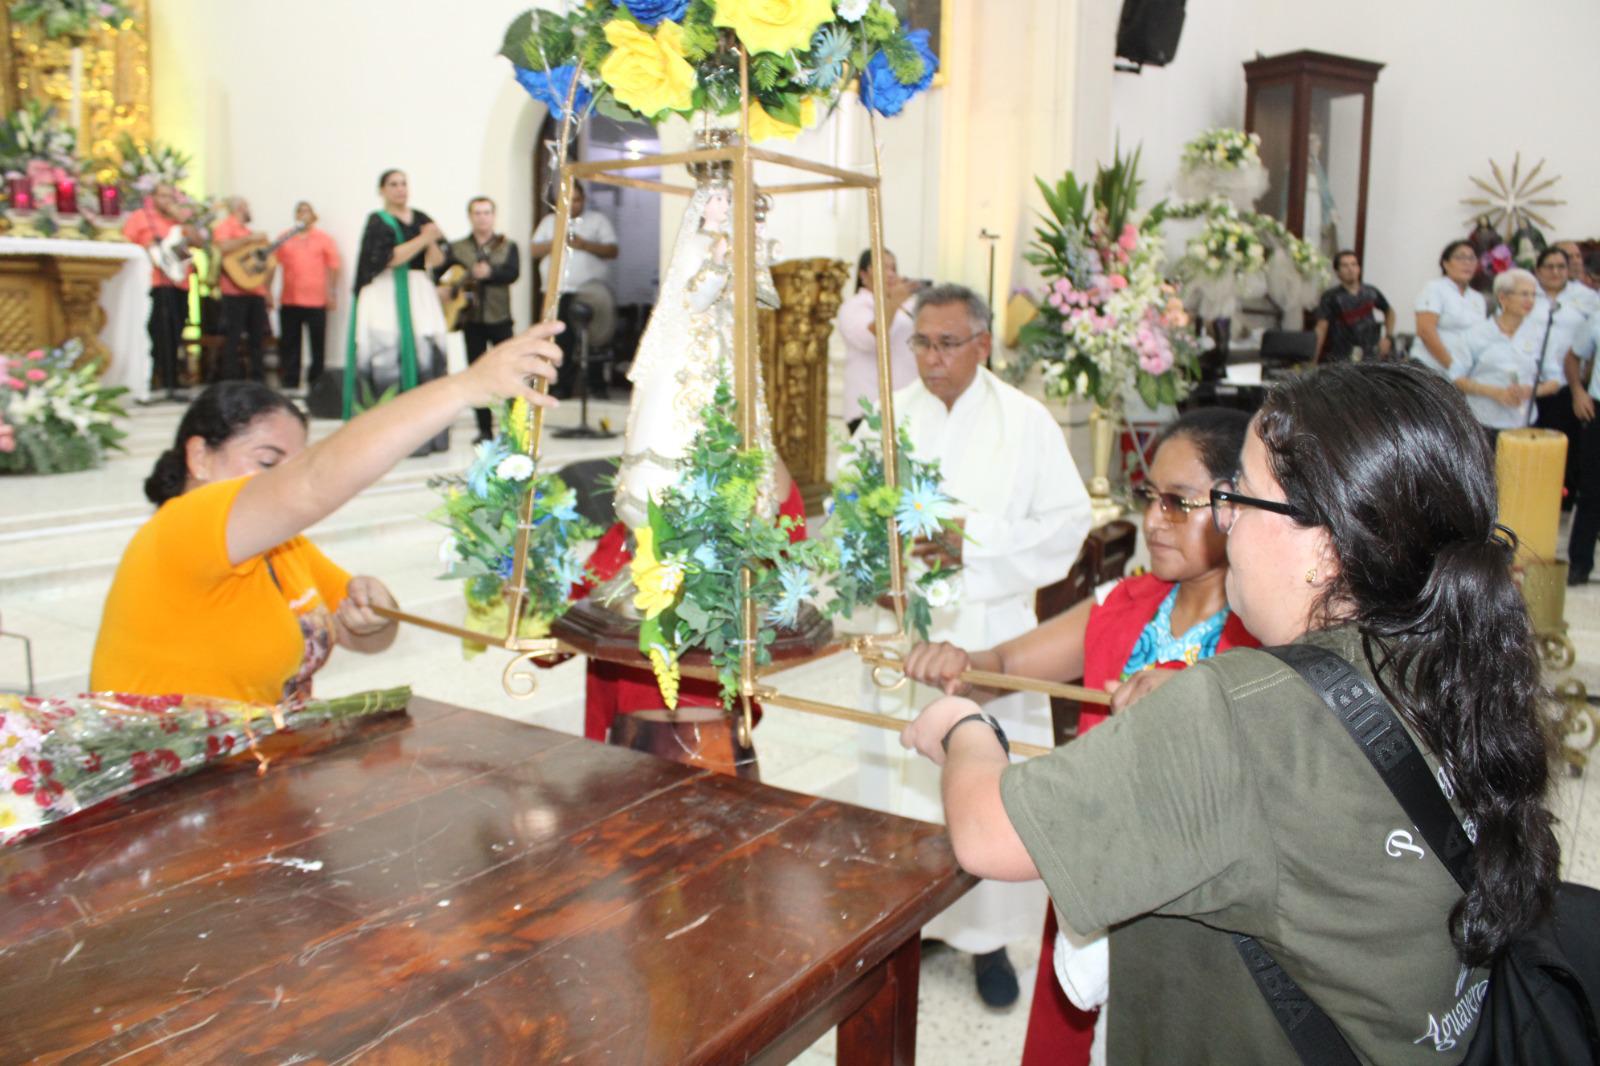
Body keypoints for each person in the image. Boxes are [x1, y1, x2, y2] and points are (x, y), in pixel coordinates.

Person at [902, 362, 1559, 1063]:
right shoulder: (1447, 654)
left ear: (1326, 548)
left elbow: (985, 833)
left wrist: (964, 728)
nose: (1223, 523)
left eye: (1237, 498)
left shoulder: (1242, 710)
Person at [902, 406, 1258, 1065]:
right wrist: (962, 664)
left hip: (1192, 913)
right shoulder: (1125, 602)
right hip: (1089, 877)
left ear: (1241, 507)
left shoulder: (1259, 635)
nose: (1154, 520)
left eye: (1180, 503)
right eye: (1150, 497)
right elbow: (1005, 666)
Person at [90, 323, 564, 705]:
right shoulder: (182, 526)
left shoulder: (282, 549)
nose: (281, 481)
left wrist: (376, 613)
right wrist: (466, 386)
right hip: (160, 785)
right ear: (199, 457)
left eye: (291, 465)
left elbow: (366, 637)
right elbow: (313, 484)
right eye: (269, 462)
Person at [855, 283, 1093, 1008]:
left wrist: (970, 545)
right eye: (920, 342)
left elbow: (1068, 524)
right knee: (904, 781)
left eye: (946, 343)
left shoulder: (1026, 422)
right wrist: (879, 556)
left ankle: (989, 941)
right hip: (908, 628)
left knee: (990, 783)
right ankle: (911, 921)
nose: (930, 358)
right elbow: (855, 507)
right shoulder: (887, 421)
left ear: (983, 344)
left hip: (993, 636)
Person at [345, 169, 449, 454]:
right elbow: (389, 258)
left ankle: (428, 435)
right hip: (386, 294)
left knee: (428, 355)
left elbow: (437, 259)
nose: (400, 189)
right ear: (382, 190)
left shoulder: (421, 218)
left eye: (404, 184)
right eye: (393, 184)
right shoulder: (378, 221)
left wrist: (431, 242)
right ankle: (383, 435)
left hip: (418, 291)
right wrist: (423, 239)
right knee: (388, 357)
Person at [437, 195, 521, 442]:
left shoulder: (508, 246)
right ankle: (484, 429)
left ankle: (512, 429)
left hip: (500, 318)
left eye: (486, 213)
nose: (482, 217)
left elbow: (513, 273)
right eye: (477, 213)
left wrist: (491, 272)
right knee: (478, 376)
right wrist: (442, 288)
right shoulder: (458, 247)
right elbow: (438, 272)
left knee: (508, 374)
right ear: (470, 216)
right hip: (470, 320)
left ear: (493, 216)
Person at [1451, 268, 1563, 444]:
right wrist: (1494, 392)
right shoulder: (1476, 334)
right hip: (1483, 421)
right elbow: (1456, 377)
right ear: (1503, 297)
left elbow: (1554, 381)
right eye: (1524, 294)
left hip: (1523, 422)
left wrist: (1531, 391)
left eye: (1534, 295)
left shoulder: (1541, 335)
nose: (1530, 300)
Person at [531, 182, 617, 399]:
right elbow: (534, 250)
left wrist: (584, 244)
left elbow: (612, 249)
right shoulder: (550, 222)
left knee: (595, 338)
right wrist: (558, 241)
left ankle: (597, 385)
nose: (572, 204)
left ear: (584, 200)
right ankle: (562, 386)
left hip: (589, 290)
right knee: (562, 341)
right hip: (557, 291)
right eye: (568, 200)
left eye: (577, 200)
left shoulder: (597, 221)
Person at [1525, 247, 1597, 504]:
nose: (1555, 272)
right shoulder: (1527, 293)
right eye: (1549, 266)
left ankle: (1561, 500)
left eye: (1561, 267)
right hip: (1528, 385)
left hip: (1567, 385)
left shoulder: (1587, 298)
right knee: (1528, 443)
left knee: (1565, 446)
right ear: (1538, 270)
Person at [122, 182, 197, 400]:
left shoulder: (179, 220)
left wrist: (184, 220)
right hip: (155, 283)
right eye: (163, 196)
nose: (167, 201)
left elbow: (200, 242)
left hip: (180, 283)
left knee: (177, 331)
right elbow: (126, 243)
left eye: (170, 197)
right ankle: (156, 381)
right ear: (152, 197)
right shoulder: (140, 217)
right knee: (157, 332)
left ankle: (174, 380)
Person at [836, 248, 920, 432]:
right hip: (869, 408)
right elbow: (869, 340)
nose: (890, 273)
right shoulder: (854, 307)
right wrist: (893, 303)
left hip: (907, 406)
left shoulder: (908, 305)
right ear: (863, 275)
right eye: (883, 267)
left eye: (893, 268)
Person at [275, 201, 341, 391]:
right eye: (300, 211)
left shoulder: (323, 239)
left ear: (313, 215)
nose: (303, 215)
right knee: (290, 342)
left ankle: (316, 381)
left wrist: (332, 293)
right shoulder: (285, 238)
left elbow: (334, 266)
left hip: (316, 300)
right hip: (290, 299)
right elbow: (272, 264)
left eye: (307, 211)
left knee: (317, 343)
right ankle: (290, 380)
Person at [211, 197, 272, 383]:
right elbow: (222, 247)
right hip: (233, 292)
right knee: (233, 337)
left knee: (257, 338)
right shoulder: (226, 227)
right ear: (238, 208)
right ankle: (231, 379)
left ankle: (258, 379)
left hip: (256, 291)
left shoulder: (248, 231)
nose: (249, 209)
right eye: (246, 206)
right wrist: (249, 239)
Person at [1414, 239, 1488, 375]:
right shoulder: (1434, 288)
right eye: (1460, 257)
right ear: (1446, 264)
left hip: (1464, 373)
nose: (1467, 263)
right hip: (1431, 370)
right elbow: (1425, 331)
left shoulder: (1478, 298)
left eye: (1472, 258)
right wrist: (1453, 366)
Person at [1312, 249, 1393, 363]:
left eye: (1354, 264)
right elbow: (1321, 328)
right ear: (1337, 271)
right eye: (1345, 266)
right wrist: (1312, 360)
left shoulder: (1371, 292)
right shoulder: (1330, 297)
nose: (1351, 269)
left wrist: (1388, 337)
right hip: (1342, 356)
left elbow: (1389, 311)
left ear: (1359, 268)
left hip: (1371, 355)